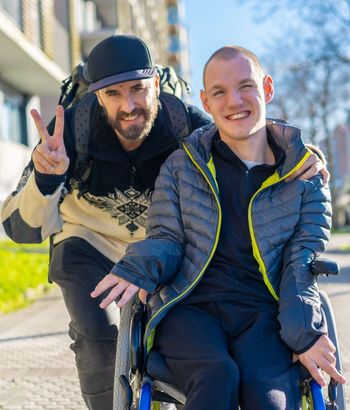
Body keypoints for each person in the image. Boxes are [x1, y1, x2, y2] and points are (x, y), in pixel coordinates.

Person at [1, 35, 325, 410]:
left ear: (156, 83)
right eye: (114, 94)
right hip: (89, 244)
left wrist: (299, 151)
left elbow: (241, 127)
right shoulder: (70, 131)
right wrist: (47, 178)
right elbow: (20, 230)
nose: (129, 105)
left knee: (185, 357)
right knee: (100, 338)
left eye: (138, 89)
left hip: (162, 246)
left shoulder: (182, 123)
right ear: (96, 97)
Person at [91, 45, 346, 410]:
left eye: (246, 86)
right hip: (190, 309)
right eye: (220, 92)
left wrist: (305, 333)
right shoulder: (181, 166)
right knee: (217, 376)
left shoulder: (305, 177)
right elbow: (167, 238)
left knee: (271, 400)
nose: (234, 101)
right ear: (206, 103)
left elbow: (300, 262)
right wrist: (140, 266)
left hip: (264, 314)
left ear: (267, 89)